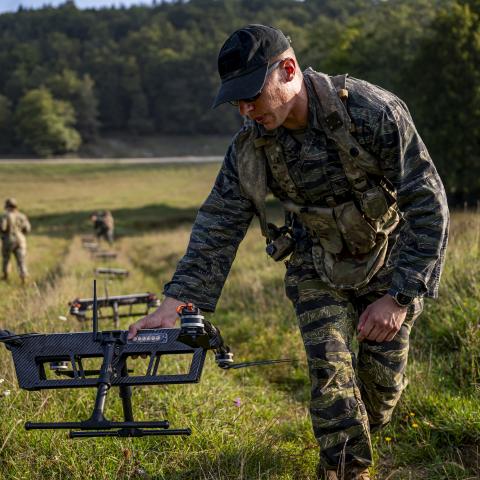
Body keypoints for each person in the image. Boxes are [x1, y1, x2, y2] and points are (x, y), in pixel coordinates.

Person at [128, 25, 449, 480]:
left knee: (379, 396)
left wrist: (399, 298)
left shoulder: (373, 112)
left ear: (289, 70)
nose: (245, 109)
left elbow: (427, 202)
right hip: (315, 267)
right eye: (236, 100)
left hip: (389, 263)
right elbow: (218, 224)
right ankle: (342, 471)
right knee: (332, 381)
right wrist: (177, 302)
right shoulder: (250, 147)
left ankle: (361, 432)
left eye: (252, 95)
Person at [1, 198, 31, 283]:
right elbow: (28, 229)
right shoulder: (22, 216)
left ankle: (6, 276)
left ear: (7, 206)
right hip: (21, 239)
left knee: (6, 258)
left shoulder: (5, 216)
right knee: (21, 259)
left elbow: (3, 227)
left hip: (8, 239)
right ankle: (23, 276)